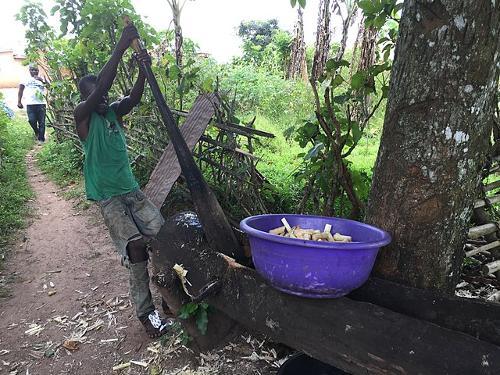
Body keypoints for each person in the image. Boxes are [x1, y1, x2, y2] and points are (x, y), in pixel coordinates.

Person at [73, 24, 171, 338]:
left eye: (101, 95)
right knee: (137, 247)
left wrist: (143, 70)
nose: (101, 98)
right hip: (108, 195)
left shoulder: (113, 111)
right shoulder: (83, 117)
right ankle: (146, 313)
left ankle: (171, 295)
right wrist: (120, 45)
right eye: (95, 94)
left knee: (164, 238)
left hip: (130, 190)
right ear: (87, 98)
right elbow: (102, 87)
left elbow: (134, 97)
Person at [17, 63, 48, 143]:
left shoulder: (42, 79)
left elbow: (50, 87)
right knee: (31, 120)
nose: (34, 71)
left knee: (42, 122)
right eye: (32, 70)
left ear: (38, 70)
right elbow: (20, 90)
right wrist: (19, 102)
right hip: (30, 104)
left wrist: (41, 80)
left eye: (36, 70)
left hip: (41, 103)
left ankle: (41, 139)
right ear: (29, 70)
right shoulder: (25, 79)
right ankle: (37, 131)